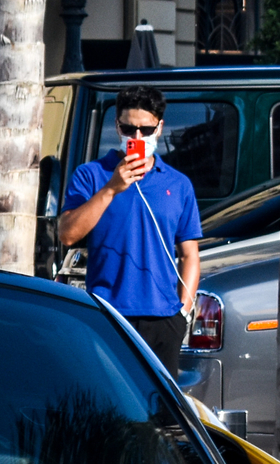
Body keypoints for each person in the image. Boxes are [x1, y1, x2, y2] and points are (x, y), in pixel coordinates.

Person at [59, 85, 201, 371]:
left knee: (162, 410)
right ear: (117, 126)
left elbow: (189, 254)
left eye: (145, 130)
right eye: (129, 128)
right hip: (108, 312)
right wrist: (111, 188)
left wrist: (183, 312)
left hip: (163, 319)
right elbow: (67, 234)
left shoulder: (178, 183)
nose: (137, 137)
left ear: (160, 128)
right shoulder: (91, 175)